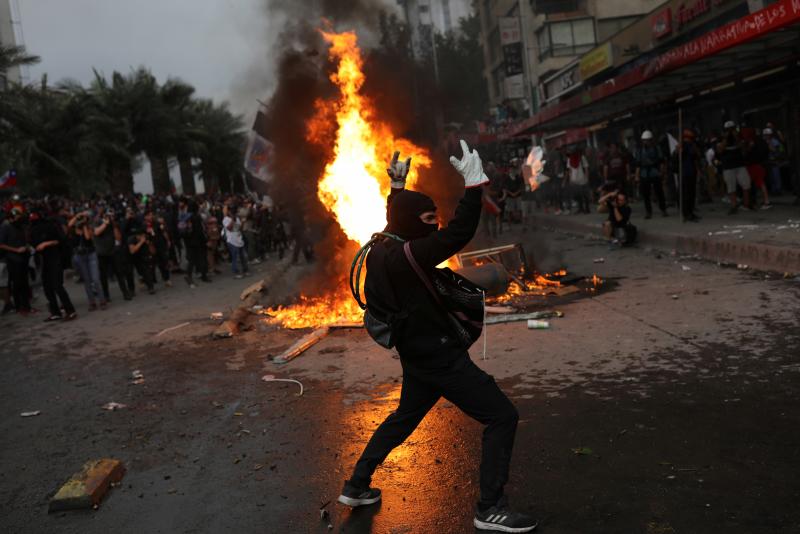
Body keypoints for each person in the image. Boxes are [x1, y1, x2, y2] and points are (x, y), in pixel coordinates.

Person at [338, 143, 538, 533]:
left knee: (404, 418)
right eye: (430, 218)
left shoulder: (384, 245)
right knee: (502, 416)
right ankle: (490, 507)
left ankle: (357, 485)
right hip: (440, 358)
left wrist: (396, 187)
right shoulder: (411, 254)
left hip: (416, 355)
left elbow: (398, 216)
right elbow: (459, 232)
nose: (436, 223)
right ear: (415, 224)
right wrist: (474, 185)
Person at [30, 209, 77, 321]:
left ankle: (70, 311)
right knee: (47, 287)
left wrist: (46, 243)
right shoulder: (33, 230)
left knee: (57, 286)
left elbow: (59, 241)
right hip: (45, 261)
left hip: (55, 259)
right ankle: (55, 312)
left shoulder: (50, 226)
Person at [0, 207, 34, 314]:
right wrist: (16, 250)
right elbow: (1, 244)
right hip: (13, 259)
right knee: (17, 283)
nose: (19, 219)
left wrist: (27, 246)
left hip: (23, 258)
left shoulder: (18, 226)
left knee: (24, 282)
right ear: (12, 217)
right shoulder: (5, 227)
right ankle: (20, 307)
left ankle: (26, 306)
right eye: (17, 217)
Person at [69, 210, 105, 310]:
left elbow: (88, 238)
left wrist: (84, 225)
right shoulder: (73, 229)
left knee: (95, 279)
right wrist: (78, 215)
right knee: (87, 281)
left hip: (91, 254)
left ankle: (102, 300)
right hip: (80, 256)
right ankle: (92, 302)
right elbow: (69, 224)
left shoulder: (88, 227)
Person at [718, 121, 751, 214]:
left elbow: (744, 149)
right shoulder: (721, 139)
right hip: (728, 166)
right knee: (731, 187)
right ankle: (734, 205)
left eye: (732, 129)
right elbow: (720, 150)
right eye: (728, 130)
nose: (730, 131)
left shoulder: (739, 137)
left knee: (746, 184)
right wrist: (725, 138)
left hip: (740, 165)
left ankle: (746, 204)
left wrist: (736, 137)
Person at [634, 131, 668, 219]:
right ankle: (648, 212)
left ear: (651, 140)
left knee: (659, 192)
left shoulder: (657, 149)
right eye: (644, 140)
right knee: (646, 194)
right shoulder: (640, 151)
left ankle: (663, 209)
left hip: (655, 172)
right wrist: (637, 176)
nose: (645, 142)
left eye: (647, 140)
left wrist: (662, 172)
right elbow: (638, 164)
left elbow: (661, 161)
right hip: (644, 173)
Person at [677, 129, 702, 221]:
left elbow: (696, 157)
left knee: (692, 193)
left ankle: (690, 212)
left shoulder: (692, 146)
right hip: (684, 172)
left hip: (691, 171)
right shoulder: (681, 145)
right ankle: (686, 213)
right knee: (685, 194)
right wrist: (679, 150)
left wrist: (698, 170)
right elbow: (677, 157)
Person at [222, 204, 249, 278]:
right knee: (235, 257)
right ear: (229, 211)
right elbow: (229, 228)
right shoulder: (226, 219)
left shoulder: (237, 218)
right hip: (231, 241)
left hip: (239, 239)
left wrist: (242, 222)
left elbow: (240, 228)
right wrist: (232, 220)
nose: (233, 212)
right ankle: (236, 273)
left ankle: (245, 270)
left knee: (243, 256)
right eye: (231, 210)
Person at [567, 147, 591, 214]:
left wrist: (587, 178)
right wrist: (570, 179)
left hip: (582, 179)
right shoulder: (570, 159)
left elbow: (586, 168)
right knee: (577, 195)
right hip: (575, 180)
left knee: (584, 195)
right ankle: (581, 208)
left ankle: (587, 208)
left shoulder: (581, 158)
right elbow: (570, 170)